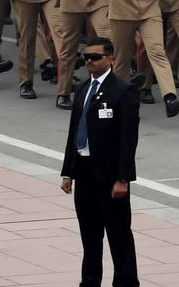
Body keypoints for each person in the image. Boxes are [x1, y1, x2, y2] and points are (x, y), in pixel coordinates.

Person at [60, 36, 140, 287]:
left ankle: (126, 282)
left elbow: (128, 139)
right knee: (89, 233)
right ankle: (90, 282)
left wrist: (123, 178)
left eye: (95, 57)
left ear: (111, 59)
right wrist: (67, 172)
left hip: (110, 174)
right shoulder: (83, 88)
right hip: (84, 170)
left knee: (118, 234)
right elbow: (74, 132)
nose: (89, 61)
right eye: (86, 57)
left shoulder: (123, 91)